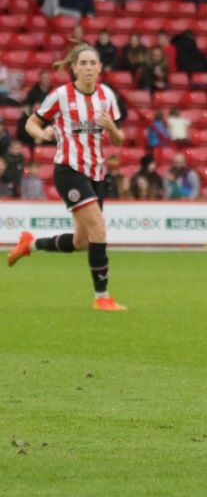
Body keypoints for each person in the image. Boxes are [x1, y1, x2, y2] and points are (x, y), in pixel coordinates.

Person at [7, 44, 126, 311]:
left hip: (97, 173)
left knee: (82, 242)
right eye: (82, 63)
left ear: (99, 68)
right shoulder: (60, 96)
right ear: (73, 68)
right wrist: (41, 134)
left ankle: (30, 244)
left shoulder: (106, 95)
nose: (87, 68)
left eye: (91, 63)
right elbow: (32, 123)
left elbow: (119, 139)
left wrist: (111, 128)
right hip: (69, 170)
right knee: (99, 228)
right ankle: (102, 297)